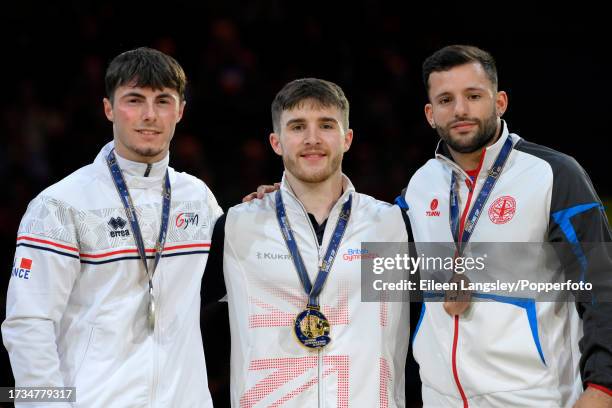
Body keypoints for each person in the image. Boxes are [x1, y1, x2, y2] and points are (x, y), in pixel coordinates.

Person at [2, 47, 222, 407]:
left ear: (180, 111)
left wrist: (269, 211)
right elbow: (27, 324)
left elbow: (239, 285)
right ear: (108, 108)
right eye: (134, 100)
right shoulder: (60, 205)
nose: (149, 115)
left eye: (163, 101)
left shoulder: (198, 199)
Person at [402, 44, 612, 407]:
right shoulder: (419, 186)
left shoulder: (553, 174)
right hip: (442, 399)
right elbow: (362, 239)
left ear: (500, 102)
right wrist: (286, 200)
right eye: (446, 100)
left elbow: (601, 287)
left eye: (473, 96)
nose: (461, 110)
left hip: (537, 397)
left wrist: (603, 387)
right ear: (430, 113)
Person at [202, 78, 412, 407]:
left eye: (326, 125)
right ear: (276, 141)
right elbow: (175, 312)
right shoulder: (238, 227)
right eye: (297, 127)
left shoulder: (390, 226)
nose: (312, 139)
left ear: (347, 138)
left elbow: (480, 286)